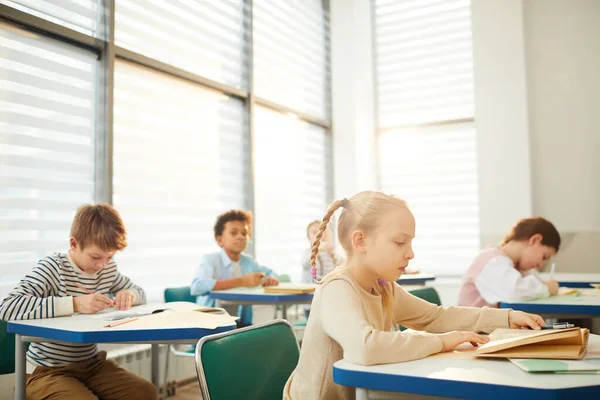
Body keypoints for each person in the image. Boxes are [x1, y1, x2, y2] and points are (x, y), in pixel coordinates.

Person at [283, 191, 545, 400]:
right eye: (400, 242)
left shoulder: (383, 286)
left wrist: (506, 318)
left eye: (411, 242)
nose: (410, 253)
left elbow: (435, 316)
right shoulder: (337, 288)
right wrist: (443, 342)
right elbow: (365, 347)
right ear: (360, 241)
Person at [0, 203, 156, 399]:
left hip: (91, 365)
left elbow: (139, 291)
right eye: (96, 257)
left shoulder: (107, 269)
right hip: (45, 370)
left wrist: (130, 294)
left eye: (109, 257)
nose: (102, 265)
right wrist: (73, 303)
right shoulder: (52, 268)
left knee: (144, 392)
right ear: (73, 244)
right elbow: (8, 307)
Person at [191, 210, 279, 327]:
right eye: (233, 233)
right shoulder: (210, 260)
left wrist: (272, 279)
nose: (240, 237)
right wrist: (242, 281)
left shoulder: (248, 262)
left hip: (241, 324)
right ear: (220, 240)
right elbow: (197, 286)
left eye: (244, 233)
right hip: (212, 325)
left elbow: (272, 273)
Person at [458, 217, 560, 307]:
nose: (540, 265)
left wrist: (544, 285)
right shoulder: (491, 260)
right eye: (544, 257)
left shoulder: (514, 265)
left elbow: (533, 281)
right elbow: (513, 292)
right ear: (535, 240)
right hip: (471, 328)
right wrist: (546, 288)